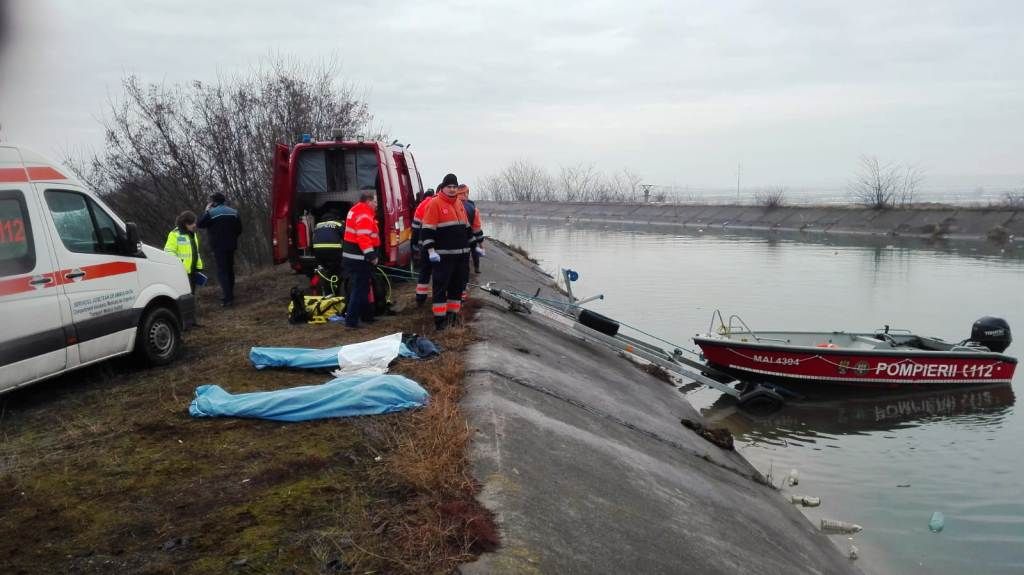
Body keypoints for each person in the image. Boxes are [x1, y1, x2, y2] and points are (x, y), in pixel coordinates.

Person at [420, 173, 471, 330]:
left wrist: (475, 244)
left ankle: (452, 317)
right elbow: (427, 230)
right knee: (441, 288)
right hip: (443, 257)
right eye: (449, 187)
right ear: (443, 187)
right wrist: (431, 251)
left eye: (454, 187)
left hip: (461, 256)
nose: (452, 189)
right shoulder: (434, 204)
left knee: (456, 288)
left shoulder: (459, 203)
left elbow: (467, 228)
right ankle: (440, 322)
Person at [341, 192, 380, 328]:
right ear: (368, 201)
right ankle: (351, 321)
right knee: (359, 289)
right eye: (375, 202)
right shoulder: (364, 215)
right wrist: (372, 256)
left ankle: (367, 316)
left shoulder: (355, 210)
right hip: (359, 259)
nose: (376, 205)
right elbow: (363, 238)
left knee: (363, 288)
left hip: (352, 257)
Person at [197, 192, 242, 307]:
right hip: (231, 245)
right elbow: (239, 229)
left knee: (222, 271)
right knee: (230, 269)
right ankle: (231, 294)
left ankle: (228, 298)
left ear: (214, 202)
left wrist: (206, 211)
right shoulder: (234, 212)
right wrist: (232, 237)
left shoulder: (211, 213)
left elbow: (200, 224)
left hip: (218, 246)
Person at [165, 211, 204, 325]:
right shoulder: (174, 234)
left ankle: (192, 321)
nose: (194, 225)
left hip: (192, 271)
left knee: (191, 297)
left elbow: (195, 252)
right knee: (182, 298)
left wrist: (198, 266)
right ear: (185, 223)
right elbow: (169, 251)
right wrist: (178, 265)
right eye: (192, 223)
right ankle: (183, 323)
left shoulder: (193, 234)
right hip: (182, 272)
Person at [411, 189, 436, 306]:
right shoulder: (437, 203)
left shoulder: (420, 206)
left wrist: (414, 243)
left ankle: (420, 299)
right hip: (437, 245)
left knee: (424, 272)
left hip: (423, 245)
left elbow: (415, 228)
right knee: (438, 272)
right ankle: (437, 296)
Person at [458, 185, 485, 274]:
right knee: (474, 250)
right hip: (470, 236)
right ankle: (476, 268)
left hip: (454, 237)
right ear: (466, 193)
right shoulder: (473, 208)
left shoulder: (450, 204)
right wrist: (481, 244)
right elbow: (477, 228)